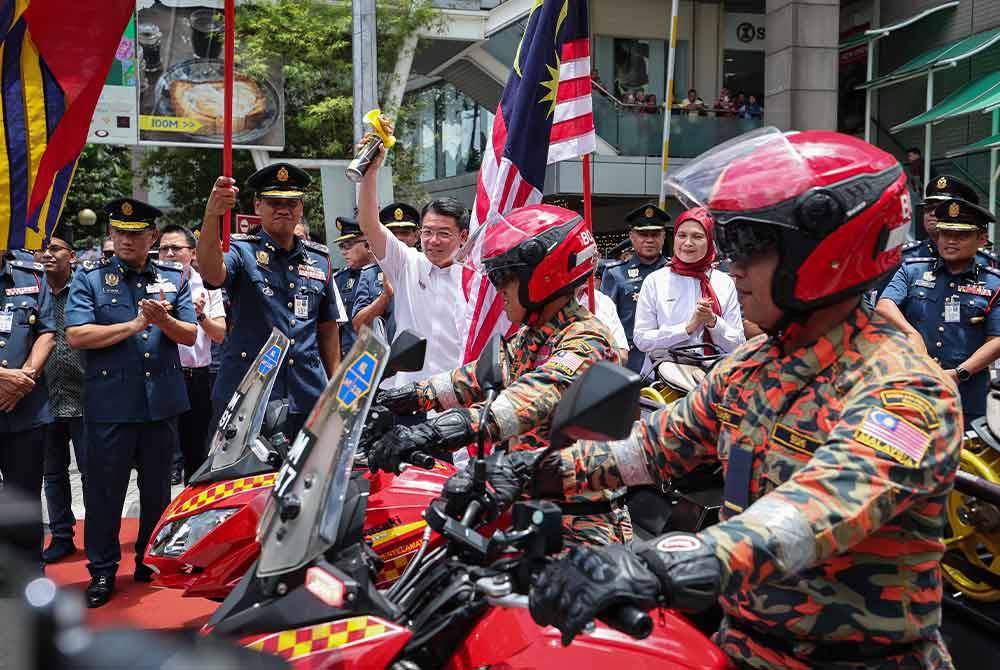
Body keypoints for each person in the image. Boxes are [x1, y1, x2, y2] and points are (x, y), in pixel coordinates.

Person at [525, 130, 960, 669]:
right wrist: (533, 471)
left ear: (828, 253)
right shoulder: (753, 366)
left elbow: (820, 508)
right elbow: (654, 447)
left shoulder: (904, 385)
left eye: (751, 247)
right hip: (742, 646)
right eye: (728, 245)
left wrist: (666, 562)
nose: (731, 267)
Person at [369, 204, 631, 546]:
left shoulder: (585, 339)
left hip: (578, 523)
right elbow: (475, 378)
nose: (498, 288)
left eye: (506, 277)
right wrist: (402, 397)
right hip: (527, 506)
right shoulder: (533, 333)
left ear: (545, 276)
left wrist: (438, 431)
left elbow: (529, 398)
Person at [65, 198, 197, 607]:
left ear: (152, 238)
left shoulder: (174, 277)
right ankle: (102, 572)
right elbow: (77, 335)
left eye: (136, 233)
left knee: (158, 491)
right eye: (119, 232)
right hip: (111, 404)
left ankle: (148, 560)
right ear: (110, 235)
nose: (126, 240)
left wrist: (163, 321)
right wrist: (136, 324)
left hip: (160, 404)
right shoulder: (90, 278)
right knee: (105, 493)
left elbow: (190, 335)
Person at [196, 164, 347, 441]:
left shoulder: (319, 259)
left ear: (301, 208)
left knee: (305, 480)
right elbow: (211, 272)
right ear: (258, 205)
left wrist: (336, 385)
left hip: (306, 393)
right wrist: (212, 215)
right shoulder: (240, 250)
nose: (283, 209)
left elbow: (327, 328)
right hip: (249, 396)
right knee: (243, 483)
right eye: (274, 202)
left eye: (291, 203)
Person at [877, 198, 1000, 429]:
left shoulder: (994, 283)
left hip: (966, 393)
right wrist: (911, 333)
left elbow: (997, 339)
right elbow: (884, 306)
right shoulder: (913, 270)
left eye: (961, 235)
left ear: (981, 239)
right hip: (912, 386)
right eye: (945, 233)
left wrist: (959, 373)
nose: (951, 241)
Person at [356, 147, 469, 388]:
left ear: (463, 236)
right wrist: (370, 173)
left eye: (444, 233)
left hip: (458, 397)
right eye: (428, 232)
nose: (433, 241)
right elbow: (369, 225)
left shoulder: (475, 280)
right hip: (409, 395)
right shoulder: (407, 263)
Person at [633, 207, 744, 374]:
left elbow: (738, 344)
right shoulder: (656, 281)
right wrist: (687, 328)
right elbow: (642, 340)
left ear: (710, 240)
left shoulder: (724, 282)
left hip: (712, 382)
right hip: (663, 382)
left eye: (697, 236)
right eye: (682, 235)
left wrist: (713, 322)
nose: (687, 243)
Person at [0, 246, 55, 567]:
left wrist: (25, 378)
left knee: (24, 503)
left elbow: (46, 332)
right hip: (15, 387)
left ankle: (27, 579)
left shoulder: (31, 275)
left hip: (24, 409)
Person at [159, 224, 226, 484]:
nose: (169, 253)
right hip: (161, 374)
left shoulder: (208, 286)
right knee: (161, 454)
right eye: (163, 248)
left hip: (196, 376)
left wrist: (201, 316)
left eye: (176, 248)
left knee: (196, 452)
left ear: (193, 253)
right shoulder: (151, 282)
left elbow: (219, 333)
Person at [38, 227, 88, 564]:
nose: (47, 255)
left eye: (55, 249)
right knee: (53, 474)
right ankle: (61, 535)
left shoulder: (85, 289)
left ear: (72, 256)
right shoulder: (34, 291)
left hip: (87, 398)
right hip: (44, 399)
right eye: (43, 250)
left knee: (92, 473)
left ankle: (99, 534)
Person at [600, 204, 670, 372]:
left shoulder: (674, 272)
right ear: (632, 236)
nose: (649, 240)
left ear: (663, 236)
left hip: (668, 359)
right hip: (631, 361)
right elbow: (605, 323)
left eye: (655, 234)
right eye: (643, 234)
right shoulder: (615, 273)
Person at [576, 260, 629, 360]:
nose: (591, 263)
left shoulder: (604, 302)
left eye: (594, 258)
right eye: (585, 256)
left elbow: (622, 355)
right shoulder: (551, 301)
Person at [333, 216, 370, 356]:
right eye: (341, 246)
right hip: (350, 359)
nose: (343, 251)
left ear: (368, 243)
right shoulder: (339, 280)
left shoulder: (384, 275)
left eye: (348, 245)